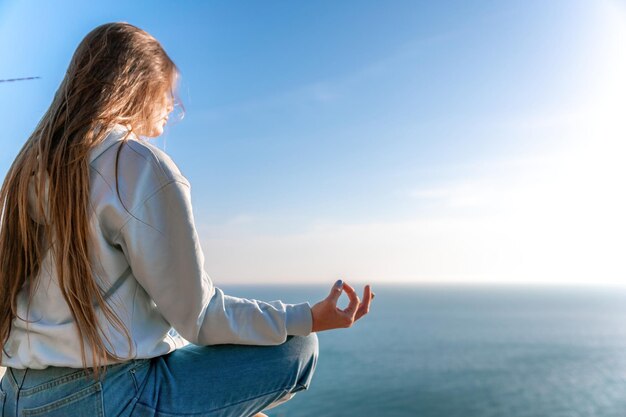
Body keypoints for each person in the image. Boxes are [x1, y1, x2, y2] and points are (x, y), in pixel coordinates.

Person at [0, 22, 373, 417]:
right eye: (169, 95)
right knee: (299, 347)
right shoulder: (137, 164)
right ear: (140, 86)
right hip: (103, 398)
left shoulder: (29, 167)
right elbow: (200, 317)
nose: (173, 108)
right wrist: (310, 317)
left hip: (16, 393)